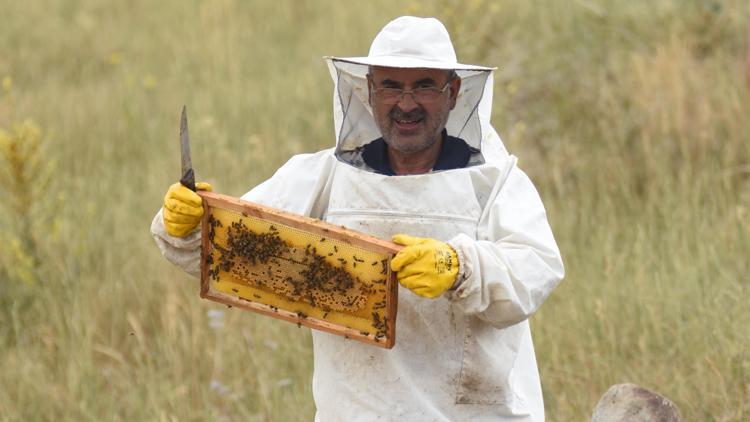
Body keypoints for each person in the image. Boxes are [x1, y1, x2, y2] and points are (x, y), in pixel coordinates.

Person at [152, 16, 564, 422]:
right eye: (390, 86)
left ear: (453, 92)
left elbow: (537, 268)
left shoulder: (494, 181)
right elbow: (230, 254)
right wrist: (189, 229)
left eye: (423, 85)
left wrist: (460, 267)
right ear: (369, 91)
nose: (406, 103)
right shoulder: (323, 178)